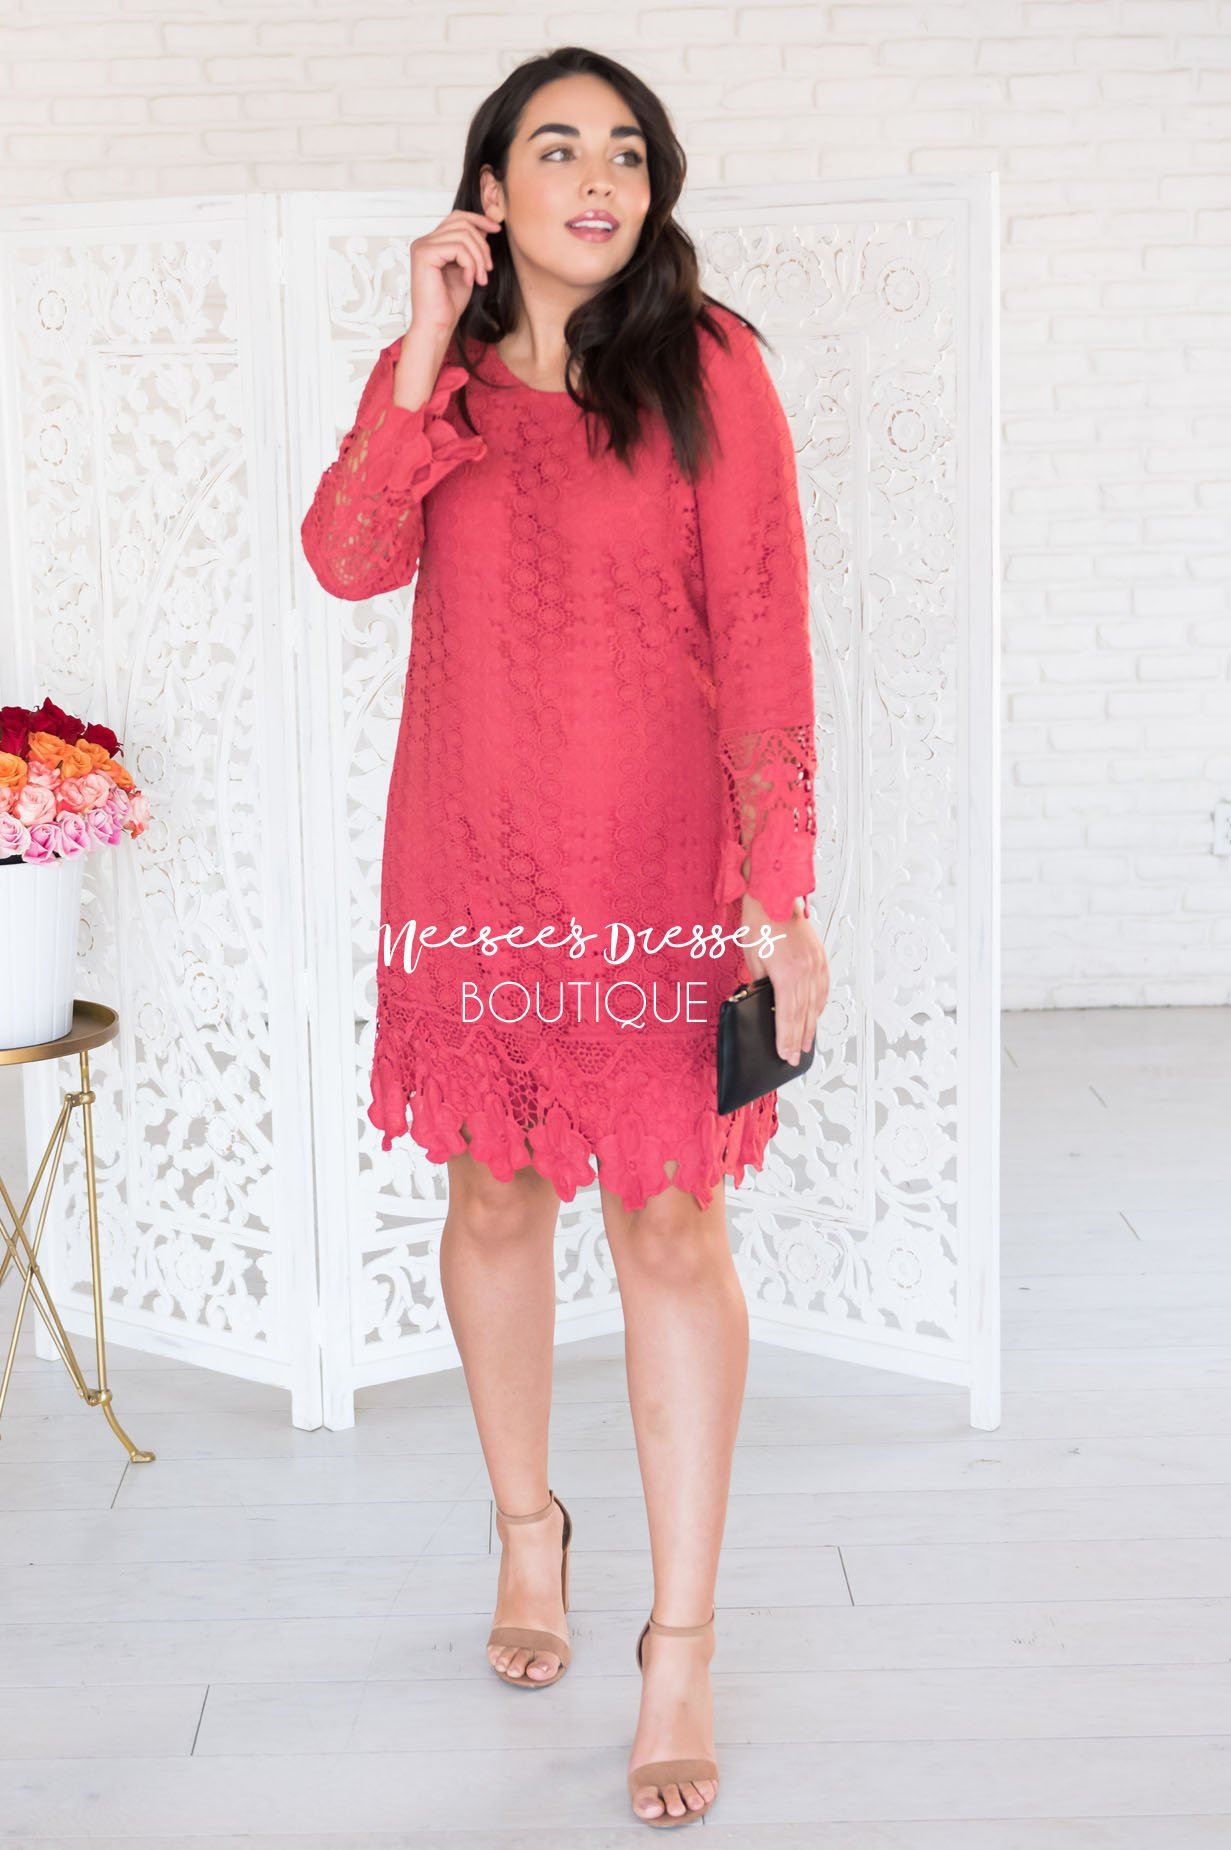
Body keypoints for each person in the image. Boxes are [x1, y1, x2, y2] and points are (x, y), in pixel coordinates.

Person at [301, 44, 829, 1832]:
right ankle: (529, 1530)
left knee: (671, 1222)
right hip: (471, 862)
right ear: (491, 189)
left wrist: (782, 892)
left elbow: (764, 628)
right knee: (493, 1196)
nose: (598, 179)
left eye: (626, 153)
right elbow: (346, 557)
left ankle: (679, 1643)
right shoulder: (436, 379)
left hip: (661, 870)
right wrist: (416, 341)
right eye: (557, 148)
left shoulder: (709, 364)